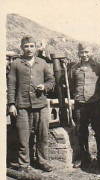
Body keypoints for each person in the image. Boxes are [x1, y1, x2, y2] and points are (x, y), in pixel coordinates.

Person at [7, 35, 55, 172]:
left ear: (36, 47)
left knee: (43, 135)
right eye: (26, 46)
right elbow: (11, 85)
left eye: (31, 46)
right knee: (23, 136)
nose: (29, 49)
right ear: (22, 47)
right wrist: (11, 104)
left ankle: (43, 161)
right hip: (22, 106)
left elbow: (51, 80)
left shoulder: (42, 63)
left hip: (41, 105)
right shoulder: (16, 63)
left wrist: (45, 86)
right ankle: (24, 164)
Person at [69, 43, 100, 169]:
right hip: (80, 105)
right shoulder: (74, 68)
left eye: (87, 52)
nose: (84, 55)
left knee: (99, 131)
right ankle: (85, 157)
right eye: (82, 52)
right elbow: (72, 85)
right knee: (81, 132)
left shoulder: (99, 67)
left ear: (91, 52)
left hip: (96, 104)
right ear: (78, 53)